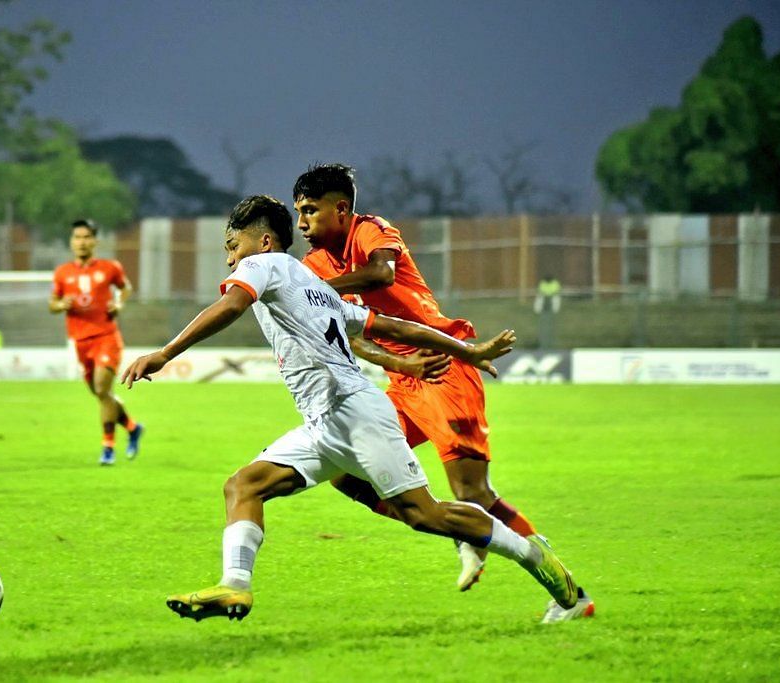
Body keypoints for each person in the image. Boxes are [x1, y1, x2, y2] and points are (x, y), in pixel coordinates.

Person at [122, 195, 581, 623]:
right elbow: (394, 327)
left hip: (355, 413)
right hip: (324, 422)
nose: (229, 259)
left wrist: (165, 353)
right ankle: (234, 586)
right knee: (243, 486)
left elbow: (231, 304)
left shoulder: (264, 264)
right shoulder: (312, 284)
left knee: (425, 514)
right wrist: (467, 352)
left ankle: (533, 556)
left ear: (262, 241)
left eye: (232, 245)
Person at [293, 164, 592, 622]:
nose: (302, 224)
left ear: (341, 209)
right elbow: (351, 338)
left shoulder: (371, 231)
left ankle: (571, 594)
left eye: (310, 211)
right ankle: (459, 529)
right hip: (406, 379)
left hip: (443, 366)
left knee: (472, 491)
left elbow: (381, 276)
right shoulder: (312, 264)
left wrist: (313, 291)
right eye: (298, 213)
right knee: (345, 473)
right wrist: (399, 364)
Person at [50, 219, 143, 465]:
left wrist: (119, 303)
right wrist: (61, 304)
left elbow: (126, 288)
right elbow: (52, 303)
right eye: (77, 237)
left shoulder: (109, 267)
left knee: (102, 389)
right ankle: (133, 428)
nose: (81, 242)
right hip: (80, 342)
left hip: (106, 336)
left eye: (86, 237)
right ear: (72, 242)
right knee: (102, 396)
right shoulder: (63, 273)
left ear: (95, 241)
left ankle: (108, 447)